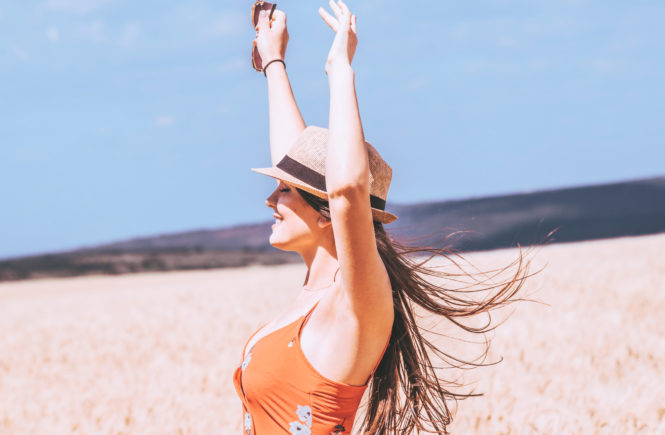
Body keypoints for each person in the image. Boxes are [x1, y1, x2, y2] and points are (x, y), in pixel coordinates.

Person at [233, 1, 534, 433]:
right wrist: (274, 62)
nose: (269, 200)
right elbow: (298, 164)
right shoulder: (314, 293)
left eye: (283, 191)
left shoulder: (357, 302)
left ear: (326, 215)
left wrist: (340, 70)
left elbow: (346, 192)